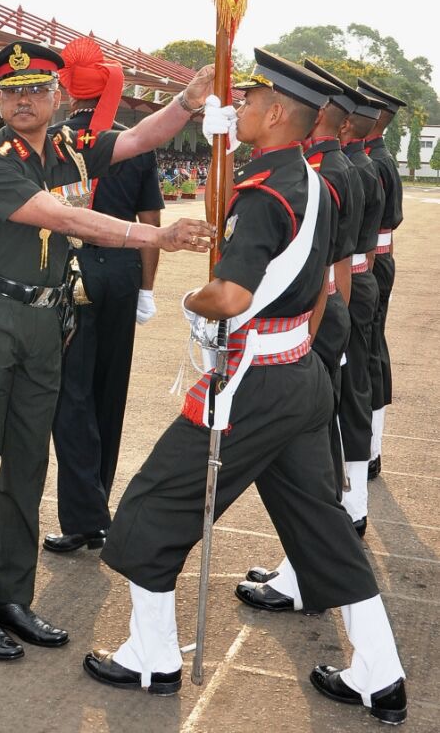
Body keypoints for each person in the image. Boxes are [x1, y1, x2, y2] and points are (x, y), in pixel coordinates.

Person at [84, 49, 407, 725]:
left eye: (252, 101)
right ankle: (380, 672)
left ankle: (153, 655)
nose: (244, 107)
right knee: (322, 529)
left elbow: (229, 293)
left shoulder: (267, 196)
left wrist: (191, 305)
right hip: (299, 373)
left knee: (149, 509)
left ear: (279, 112)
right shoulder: (313, 181)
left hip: (254, 384)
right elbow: (316, 292)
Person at [0, 40, 215, 664]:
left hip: (46, 321)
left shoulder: (64, 147)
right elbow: (65, 221)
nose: (22, 100)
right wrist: (158, 235)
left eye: (36, 90)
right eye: (11, 92)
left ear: (58, 97)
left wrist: (185, 103)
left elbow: (136, 140)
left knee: (30, 465)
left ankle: (12, 594)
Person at [237, 59, 365, 608]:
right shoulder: (321, 168)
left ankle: (301, 571)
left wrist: (308, 340)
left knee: (312, 459)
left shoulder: (324, 175)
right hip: (314, 317)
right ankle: (299, 567)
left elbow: (329, 272)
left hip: (311, 319)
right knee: (304, 463)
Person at [43, 37, 164, 555]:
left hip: (68, 270)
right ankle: (99, 505)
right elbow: (150, 222)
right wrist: (146, 288)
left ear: (70, 94)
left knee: (70, 398)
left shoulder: (51, 142)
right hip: (121, 269)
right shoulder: (133, 142)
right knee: (108, 391)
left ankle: (83, 517)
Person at [308, 66, 384, 538]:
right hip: (348, 292)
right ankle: (349, 502)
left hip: (338, 295)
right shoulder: (348, 166)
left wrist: (332, 322)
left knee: (341, 403)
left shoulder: (335, 172)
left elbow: (339, 259)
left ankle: (349, 504)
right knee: (347, 397)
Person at [357, 78, 406, 480]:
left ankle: (369, 449)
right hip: (379, 259)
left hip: (370, 262)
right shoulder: (379, 157)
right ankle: (371, 446)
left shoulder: (372, 161)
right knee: (373, 350)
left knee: (367, 355)